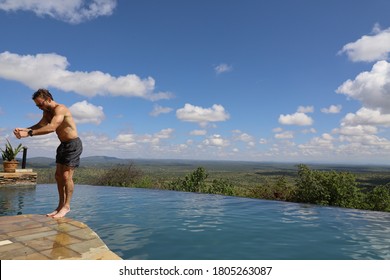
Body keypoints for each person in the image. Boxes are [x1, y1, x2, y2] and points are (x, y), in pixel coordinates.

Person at [14, 89, 82, 218]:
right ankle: (60, 205)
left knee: (67, 176)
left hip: (73, 144)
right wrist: (24, 129)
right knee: (58, 176)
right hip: (63, 145)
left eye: (41, 104)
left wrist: (28, 134)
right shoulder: (47, 112)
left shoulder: (60, 109)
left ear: (48, 99)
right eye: (37, 106)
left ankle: (66, 206)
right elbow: (40, 125)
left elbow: (51, 127)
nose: (40, 108)